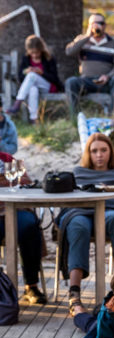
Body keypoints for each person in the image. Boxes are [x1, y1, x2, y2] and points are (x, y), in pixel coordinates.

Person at [58, 133, 114, 315]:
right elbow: (70, 200)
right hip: (81, 212)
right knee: (77, 226)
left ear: (110, 152)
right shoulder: (78, 173)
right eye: (94, 151)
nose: (99, 155)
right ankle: (74, 293)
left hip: (109, 212)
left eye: (103, 150)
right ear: (88, 154)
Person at [0, 151, 45, 304]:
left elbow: (26, 182)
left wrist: (8, 181)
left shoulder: (7, 159)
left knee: (30, 226)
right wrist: (7, 182)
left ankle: (31, 286)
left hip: (14, 210)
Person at [64, 13, 114, 118]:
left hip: (106, 81)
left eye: (100, 23)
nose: (97, 26)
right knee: (71, 82)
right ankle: (75, 117)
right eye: (94, 23)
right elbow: (69, 52)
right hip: (86, 81)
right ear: (89, 25)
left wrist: (108, 76)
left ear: (105, 25)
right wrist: (87, 36)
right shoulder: (82, 40)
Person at [8, 35, 61, 124]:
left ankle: (17, 103)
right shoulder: (26, 59)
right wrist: (26, 72)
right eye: (32, 53)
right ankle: (34, 120)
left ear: (41, 49)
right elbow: (20, 77)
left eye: (37, 52)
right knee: (33, 89)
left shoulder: (49, 58)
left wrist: (42, 73)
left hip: (48, 87)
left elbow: (55, 78)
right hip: (32, 86)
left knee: (32, 75)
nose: (35, 55)